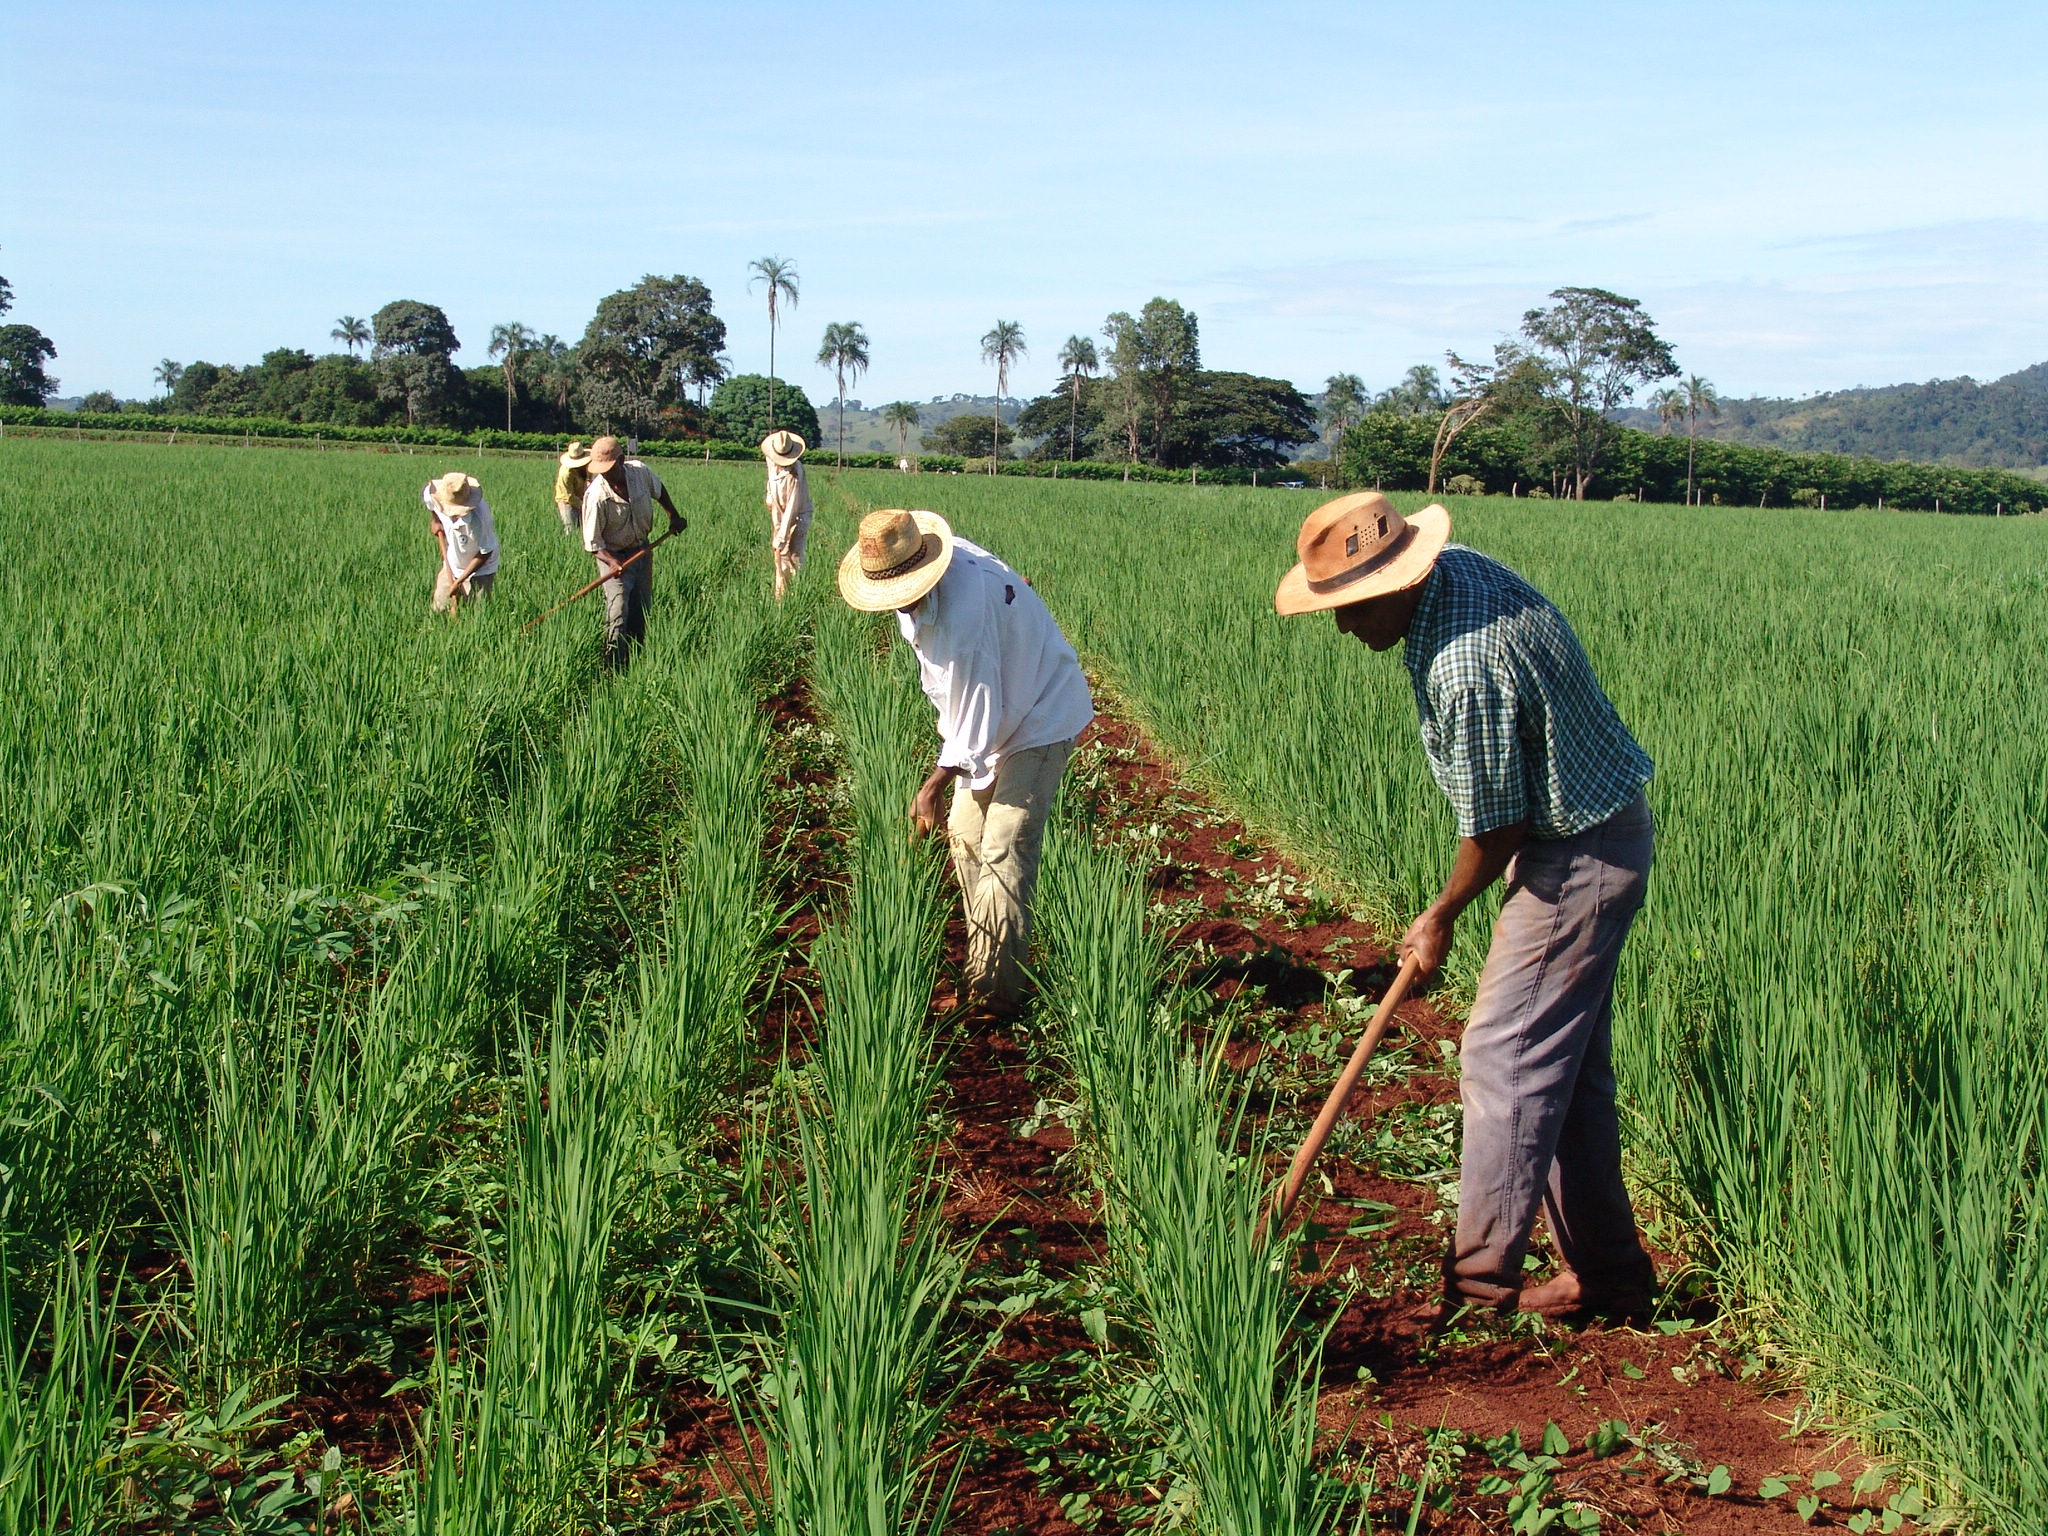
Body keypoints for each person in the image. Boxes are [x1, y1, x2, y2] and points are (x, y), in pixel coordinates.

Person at [1274, 492, 1657, 1323]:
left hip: (1575, 856)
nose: (1340, 628)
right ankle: (1613, 1280)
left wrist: (1443, 910)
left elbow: (1499, 822)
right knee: (1567, 1076)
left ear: (1395, 584)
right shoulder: (1458, 575)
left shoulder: (1464, 661)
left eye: (1346, 609)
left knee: (1503, 1058)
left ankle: (1478, 1290)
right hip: (1589, 835)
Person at [837, 509, 1094, 1014]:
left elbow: (975, 721)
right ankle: (992, 958)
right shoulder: (927, 568)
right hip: (997, 708)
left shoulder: (961, 620)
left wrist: (930, 788)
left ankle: (992, 994)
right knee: (964, 836)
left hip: (1040, 712)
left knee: (1003, 847)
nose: (900, 601)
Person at [580, 435, 685, 666]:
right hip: (613, 557)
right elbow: (592, 543)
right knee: (618, 611)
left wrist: (673, 515)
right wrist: (613, 561)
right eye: (601, 470)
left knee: (641, 607)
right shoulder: (596, 495)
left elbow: (658, 490)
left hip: (642, 550)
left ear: (622, 460)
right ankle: (612, 663)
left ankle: (635, 660)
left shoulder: (639, 473)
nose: (605, 474)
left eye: (609, 468)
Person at [425, 471, 498, 613]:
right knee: (439, 606)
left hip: (481, 567)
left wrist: (459, 581)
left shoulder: (479, 519)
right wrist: (436, 520)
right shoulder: (433, 494)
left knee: (478, 611)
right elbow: (431, 505)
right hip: (453, 561)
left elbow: (485, 551)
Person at [762, 429, 813, 600]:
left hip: (798, 516)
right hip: (779, 513)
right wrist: (769, 495)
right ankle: (780, 596)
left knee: (793, 556)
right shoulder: (771, 460)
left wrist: (782, 538)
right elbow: (770, 480)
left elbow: (792, 506)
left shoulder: (795, 474)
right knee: (779, 556)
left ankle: (796, 595)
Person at [554, 441, 591, 534]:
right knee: (570, 528)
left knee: (584, 528)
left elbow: (588, 479)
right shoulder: (566, 473)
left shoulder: (584, 467)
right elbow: (568, 495)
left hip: (580, 498)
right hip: (566, 501)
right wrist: (582, 505)